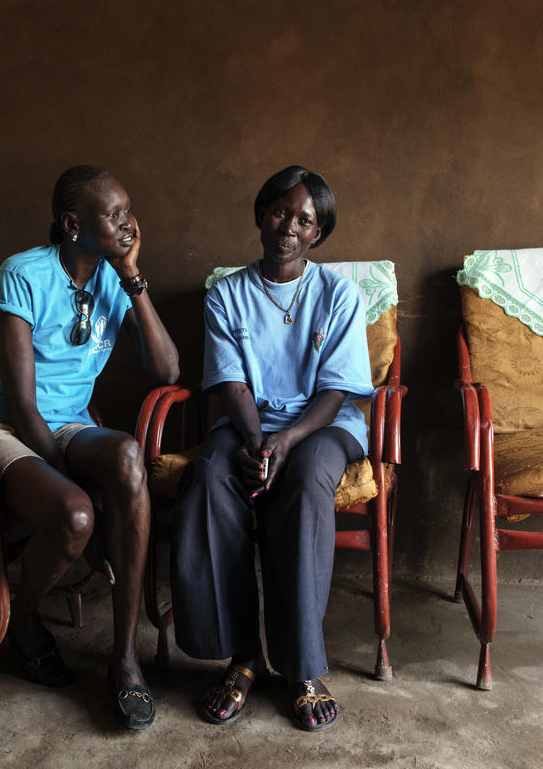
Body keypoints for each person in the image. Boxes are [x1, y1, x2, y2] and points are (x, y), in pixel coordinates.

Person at [0, 165, 178, 730]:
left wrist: (131, 274)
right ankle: (20, 623)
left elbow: (167, 368)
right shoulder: (23, 274)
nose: (128, 223)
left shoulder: (109, 277)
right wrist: (88, 504)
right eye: (114, 215)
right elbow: (23, 406)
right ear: (73, 224)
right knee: (75, 515)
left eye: (128, 212)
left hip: (69, 424)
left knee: (127, 454)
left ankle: (124, 659)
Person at [170, 165, 372, 732]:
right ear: (261, 213)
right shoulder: (226, 294)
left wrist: (287, 440)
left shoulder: (339, 293)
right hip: (247, 420)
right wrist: (258, 439)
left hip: (323, 425)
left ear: (318, 234)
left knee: (306, 482)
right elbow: (230, 382)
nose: (289, 226)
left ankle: (302, 668)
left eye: (305, 220)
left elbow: (336, 388)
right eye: (280, 211)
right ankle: (242, 657)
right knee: (209, 477)